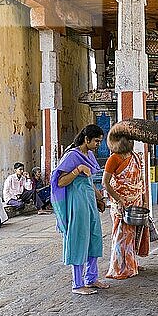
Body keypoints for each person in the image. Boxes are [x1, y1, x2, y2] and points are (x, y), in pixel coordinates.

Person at [51, 124, 109, 295]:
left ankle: (91, 278)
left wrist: (99, 199)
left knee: (94, 237)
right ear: (86, 139)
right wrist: (77, 170)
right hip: (77, 203)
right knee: (79, 239)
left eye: (100, 141)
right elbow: (60, 182)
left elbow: (89, 182)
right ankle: (77, 283)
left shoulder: (89, 155)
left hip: (89, 201)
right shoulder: (72, 156)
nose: (99, 144)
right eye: (97, 141)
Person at [102, 137, 150, 280]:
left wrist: (145, 199)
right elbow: (105, 182)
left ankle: (131, 262)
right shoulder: (114, 159)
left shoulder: (135, 156)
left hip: (136, 199)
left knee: (134, 233)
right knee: (121, 234)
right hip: (121, 202)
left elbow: (141, 180)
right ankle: (120, 267)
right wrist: (118, 199)